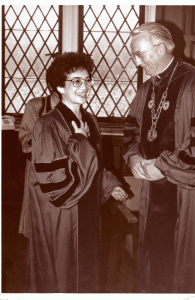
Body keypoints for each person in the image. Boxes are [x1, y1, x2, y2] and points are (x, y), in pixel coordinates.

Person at [123, 22, 195, 293]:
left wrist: (163, 167)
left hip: (188, 188)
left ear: (160, 48)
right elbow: (132, 129)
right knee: (156, 259)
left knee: (186, 264)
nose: (137, 62)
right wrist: (133, 157)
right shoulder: (146, 89)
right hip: (154, 187)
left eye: (140, 54)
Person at [26, 51, 127, 293]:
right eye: (76, 81)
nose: (85, 86)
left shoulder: (89, 120)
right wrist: (80, 141)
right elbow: (55, 183)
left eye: (87, 79)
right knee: (63, 272)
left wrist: (110, 184)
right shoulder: (47, 124)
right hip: (63, 211)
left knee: (86, 269)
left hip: (87, 205)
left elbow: (97, 165)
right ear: (60, 87)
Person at [19, 70, 60, 238]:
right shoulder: (35, 105)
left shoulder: (77, 108)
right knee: (37, 218)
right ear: (50, 86)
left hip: (64, 172)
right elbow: (26, 138)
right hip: (39, 170)